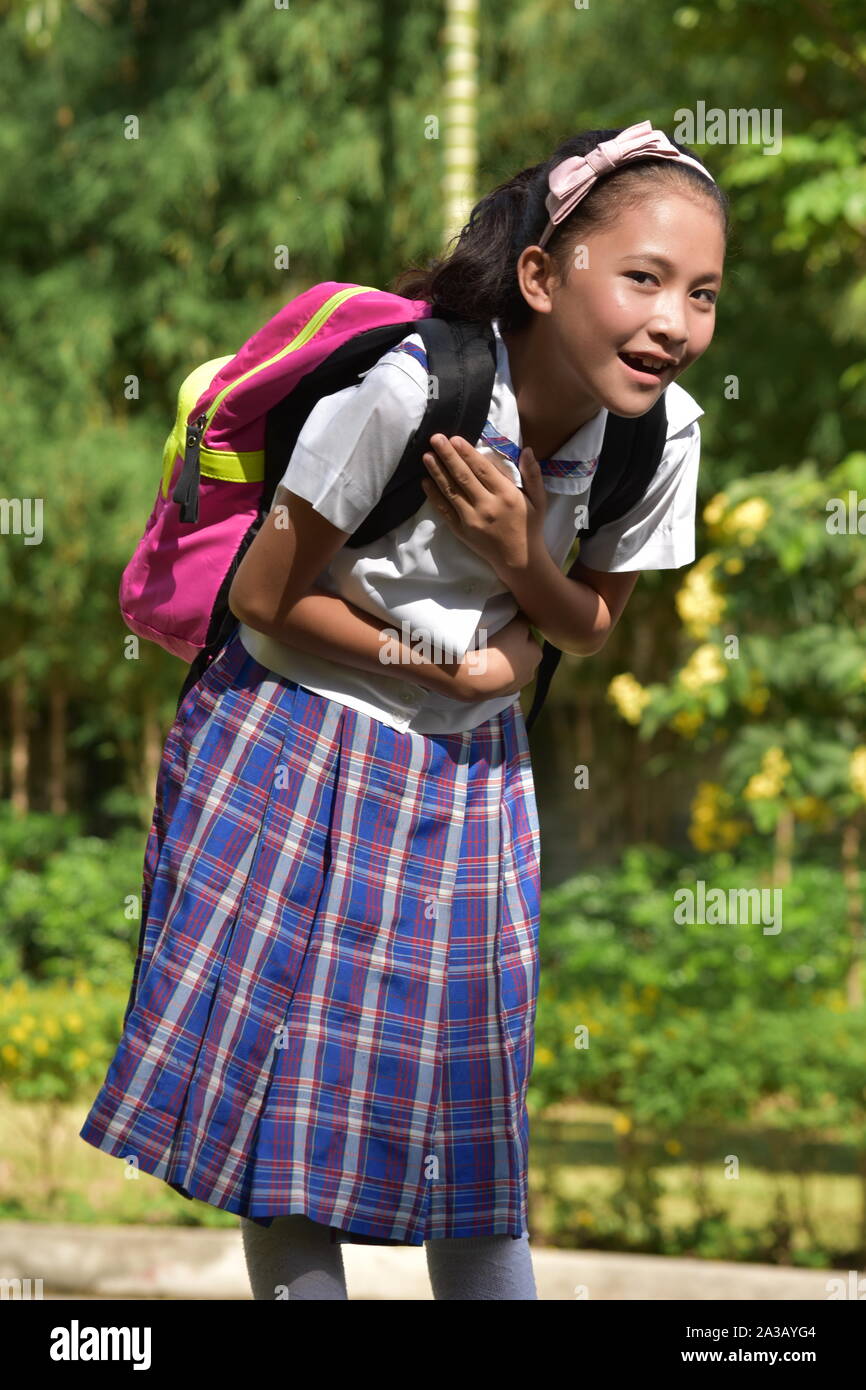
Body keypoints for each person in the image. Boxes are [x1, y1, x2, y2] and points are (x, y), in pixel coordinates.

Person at [80, 121, 728, 1300]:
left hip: (466, 780)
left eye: (701, 293)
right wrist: (442, 657)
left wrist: (514, 554)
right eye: (641, 278)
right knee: (282, 1142)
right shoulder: (411, 388)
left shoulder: (660, 436)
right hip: (284, 735)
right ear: (541, 274)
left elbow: (584, 625)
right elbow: (265, 597)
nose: (674, 322)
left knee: (473, 1149)